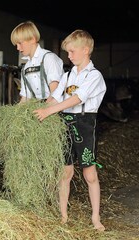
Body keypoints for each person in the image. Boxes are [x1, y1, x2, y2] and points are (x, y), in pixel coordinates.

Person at [33, 29, 106, 231]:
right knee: (65, 172)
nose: (69, 55)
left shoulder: (94, 75)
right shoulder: (67, 75)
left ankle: (95, 218)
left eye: (72, 51)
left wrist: (49, 112)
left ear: (86, 50)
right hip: (64, 124)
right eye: (68, 52)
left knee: (89, 174)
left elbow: (77, 99)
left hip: (84, 124)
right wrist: (38, 108)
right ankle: (63, 216)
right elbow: (55, 97)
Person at [10, 21, 64, 102]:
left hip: (55, 108)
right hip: (39, 108)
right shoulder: (26, 67)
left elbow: (55, 92)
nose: (18, 48)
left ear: (32, 39)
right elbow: (26, 98)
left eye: (20, 43)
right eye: (16, 45)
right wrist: (15, 113)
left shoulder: (48, 58)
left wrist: (44, 110)